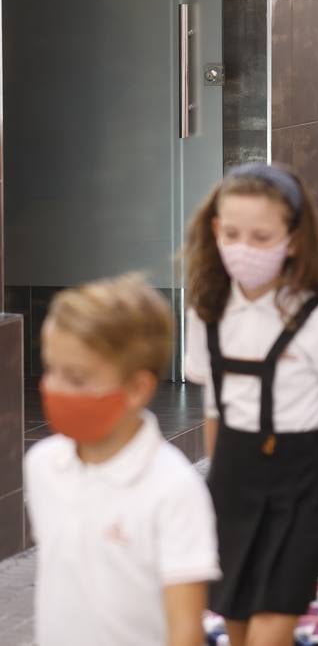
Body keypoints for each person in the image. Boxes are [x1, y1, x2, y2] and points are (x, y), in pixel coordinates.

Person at [184, 162, 318, 646]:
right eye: (232, 233)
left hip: (298, 488)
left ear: (293, 238)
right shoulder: (206, 309)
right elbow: (214, 412)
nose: (244, 247)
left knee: (269, 633)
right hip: (231, 483)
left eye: (261, 237)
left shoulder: (317, 318)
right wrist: (212, 497)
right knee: (237, 630)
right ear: (214, 231)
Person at [25, 275, 220, 646]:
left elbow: (186, 629)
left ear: (137, 388)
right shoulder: (43, 465)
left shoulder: (173, 488)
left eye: (78, 378)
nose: (57, 388)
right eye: (52, 370)